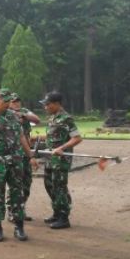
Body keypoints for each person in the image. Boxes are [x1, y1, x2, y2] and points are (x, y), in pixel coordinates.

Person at [0, 89, 38, 242]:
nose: (9, 104)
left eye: (10, 101)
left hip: (16, 162)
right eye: (5, 101)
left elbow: (22, 137)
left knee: (18, 194)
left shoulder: (14, 117)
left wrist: (30, 156)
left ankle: (19, 227)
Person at [39, 92, 82, 230]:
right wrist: (39, 138)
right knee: (49, 185)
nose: (45, 107)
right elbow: (53, 137)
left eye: (48, 104)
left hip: (61, 160)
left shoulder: (66, 118)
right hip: (50, 158)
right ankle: (57, 212)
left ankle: (64, 217)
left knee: (59, 187)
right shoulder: (52, 118)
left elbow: (77, 138)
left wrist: (62, 148)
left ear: (57, 104)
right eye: (45, 104)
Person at [8, 93, 41, 221]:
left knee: (27, 182)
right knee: (15, 183)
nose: (16, 103)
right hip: (13, 153)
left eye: (18, 100)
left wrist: (23, 115)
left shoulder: (24, 111)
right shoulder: (5, 113)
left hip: (26, 153)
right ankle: (12, 211)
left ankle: (21, 209)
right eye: (13, 101)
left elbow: (37, 120)